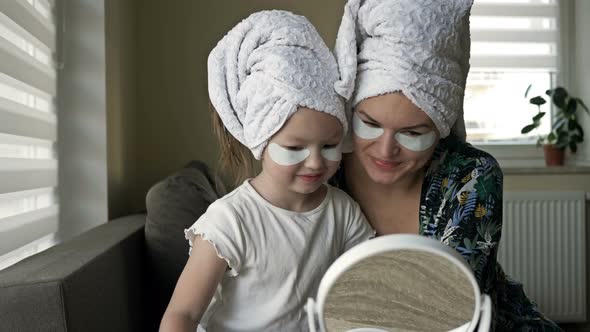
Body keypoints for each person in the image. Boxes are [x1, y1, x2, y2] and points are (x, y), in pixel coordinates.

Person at [331, 0, 563, 330]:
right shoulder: (323, 168)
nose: (385, 150)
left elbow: (448, 310)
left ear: (440, 128)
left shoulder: (471, 176)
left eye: (412, 133)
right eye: (369, 124)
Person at [159, 10, 374, 332]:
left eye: (329, 146)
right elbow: (183, 315)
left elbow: (369, 286)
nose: (315, 162)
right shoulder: (229, 221)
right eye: (294, 148)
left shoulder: (343, 211)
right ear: (259, 141)